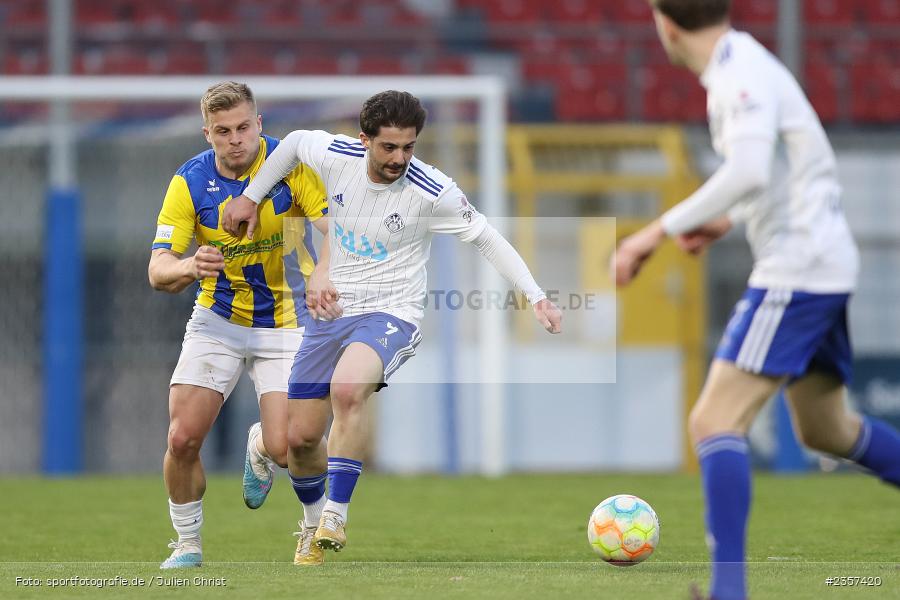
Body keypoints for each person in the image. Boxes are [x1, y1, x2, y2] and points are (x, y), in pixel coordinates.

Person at [613, 2, 900, 599]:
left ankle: (729, 592)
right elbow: (784, 170)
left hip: (798, 267)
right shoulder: (744, 63)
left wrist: (653, 233)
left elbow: (747, 171)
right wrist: (728, 220)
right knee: (827, 430)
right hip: (821, 262)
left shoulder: (737, 72)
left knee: (713, 420)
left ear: (666, 24)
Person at [221, 90, 562, 555]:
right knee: (299, 441)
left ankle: (335, 516)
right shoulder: (336, 156)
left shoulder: (433, 191)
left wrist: (536, 295)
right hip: (332, 312)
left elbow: (487, 237)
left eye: (408, 147)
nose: (400, 158)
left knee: (347, 389)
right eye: (388, 147)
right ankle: (307, 516)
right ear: (364, 140)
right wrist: (250, 197)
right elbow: (295, 142)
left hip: (392, 313)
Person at [148, 81, 335, 568]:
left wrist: (324, 271)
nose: (236, 139)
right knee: (182, 438)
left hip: (289, 321)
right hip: (218, 320)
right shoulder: (189, 181)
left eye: (244, 127)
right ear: (207, 134)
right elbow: (158, 269)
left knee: (291, 446)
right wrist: (189, 265)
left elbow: (334, 228)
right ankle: (187, 544)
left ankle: (299, 507)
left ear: (259, 124)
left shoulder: (291, 166)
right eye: (223, 131)